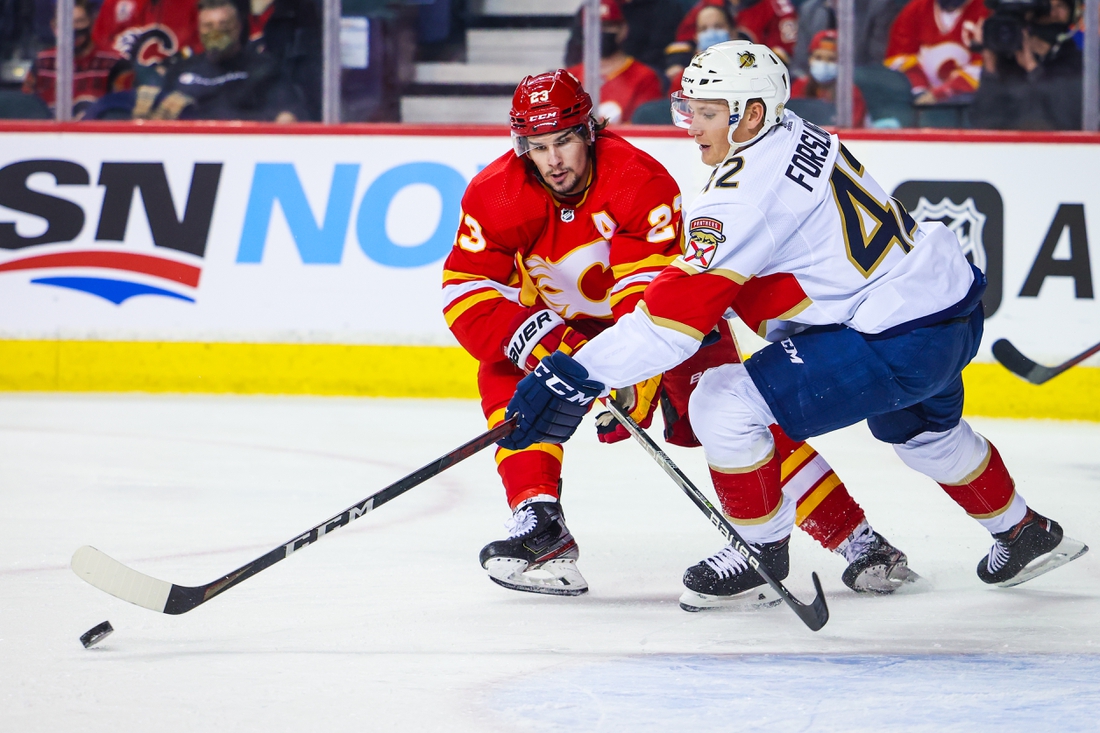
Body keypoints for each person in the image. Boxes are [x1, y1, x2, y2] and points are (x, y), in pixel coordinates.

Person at [500, 42, 1087, 608]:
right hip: (944, 311)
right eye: (689, 109)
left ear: (752, 113)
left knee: (722, 402)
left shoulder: (740, 196)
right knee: (925, 436)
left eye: (707, 113)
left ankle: (759, 554)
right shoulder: (798, 131)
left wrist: (574, 373)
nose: (691, 126)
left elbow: (670, 326)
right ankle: (1024, 532)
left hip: (893, 337)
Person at [443, 68, 918, 606]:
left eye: (564, 141)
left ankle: (859, 540)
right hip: (559, 326)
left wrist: (631, 381)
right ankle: (540, 522)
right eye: (538, 145)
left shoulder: (637, 180)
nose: (552, 160)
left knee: (736, 411)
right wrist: (558, 354)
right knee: (506, 372)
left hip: (664, 323)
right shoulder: (495, 194)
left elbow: (649, 307)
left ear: (589, 131)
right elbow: (466, 291)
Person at [145, 0, 304, 121]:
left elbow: (287, 117)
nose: (216, 32)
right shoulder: (180, 71)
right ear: (199, 29)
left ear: (238, 27)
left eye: (224, 25)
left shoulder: (264, 70)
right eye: (208, 26)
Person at [969, 0, 1082, 130]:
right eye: (1046, 7)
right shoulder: (1006, 60)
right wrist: (990, 66)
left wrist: (1033, 69)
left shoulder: (1075, 60)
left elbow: (1068, 117)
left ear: (1072, 13)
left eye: (1060, 6)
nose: (1052, 13)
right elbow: (983, 122)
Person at [21, 0, 131, 117]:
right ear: (53, 26)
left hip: (96, 127)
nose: (72, 29)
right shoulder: (42, 62)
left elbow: (123, 111)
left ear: (92, 22)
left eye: (79, 22)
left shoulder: (115, 63)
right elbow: (25, 105)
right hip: (48, 127)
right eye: (64, 22)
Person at [565, 0, 663, 124]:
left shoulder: (645, 77)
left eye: (607, 26)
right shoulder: (568, 78)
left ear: (623, 29)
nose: (599, 32)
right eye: (593, 26)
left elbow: (646, 125)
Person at [884, 0, 988, 105]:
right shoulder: (917, 8)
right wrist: (919, 89)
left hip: (970, 101)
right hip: (920, 97)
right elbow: (898, 55)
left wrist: (944, 92)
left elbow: (987, 64)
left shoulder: (985, 9)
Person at [790, 0, 907, 78]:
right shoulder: (810, 9)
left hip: (860, 86)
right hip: (815, 88)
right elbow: (800, 64)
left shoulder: (880, 6)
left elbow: (877, 63)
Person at [790, 30, 870, 125]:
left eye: (831, 59)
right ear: (810, 59)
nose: (824, 64)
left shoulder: (850, 93)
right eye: (818, 58)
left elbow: (853, 126)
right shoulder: (799, 86)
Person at [664, 3, 740, 94]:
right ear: (696, 37)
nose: (711, 33)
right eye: (703, 29)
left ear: (733, 32)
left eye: (718, 26)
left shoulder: (747, 71)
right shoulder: (685, 78)